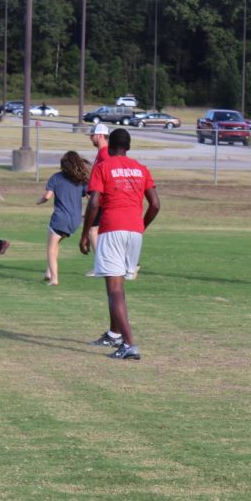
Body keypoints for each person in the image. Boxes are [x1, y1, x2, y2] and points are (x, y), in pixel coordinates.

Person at [79, 128, 160, 360]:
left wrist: (85, 234)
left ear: (110, 145)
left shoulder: (103, 167)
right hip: (135, 232)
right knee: (118, 287)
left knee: (113, 290)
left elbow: (94, 202)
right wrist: (141, 226)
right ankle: (115, 334)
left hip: (112, 228)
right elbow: (155, 204)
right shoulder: (141, 168)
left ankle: (129, 344)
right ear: (129, 146)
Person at [36, 151, 90, 286]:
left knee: (50, 248)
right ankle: (48, 272)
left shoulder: (56, 178)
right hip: (75, 221)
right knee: (56, 244)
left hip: (60, 220)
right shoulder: (80, 180)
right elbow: (91, 197)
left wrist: (39, 201)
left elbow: (47, 196)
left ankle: (54, 279)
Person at [84, 123, 110, 277]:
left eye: (92, 135)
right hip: (99, 198)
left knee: (93, 231)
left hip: (101, 200)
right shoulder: (102, 153)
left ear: (99, 135)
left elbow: (108, 176)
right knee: (102, 232)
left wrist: (96, 193)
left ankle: (100, 266)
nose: (90, 138)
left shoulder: (105, 154)